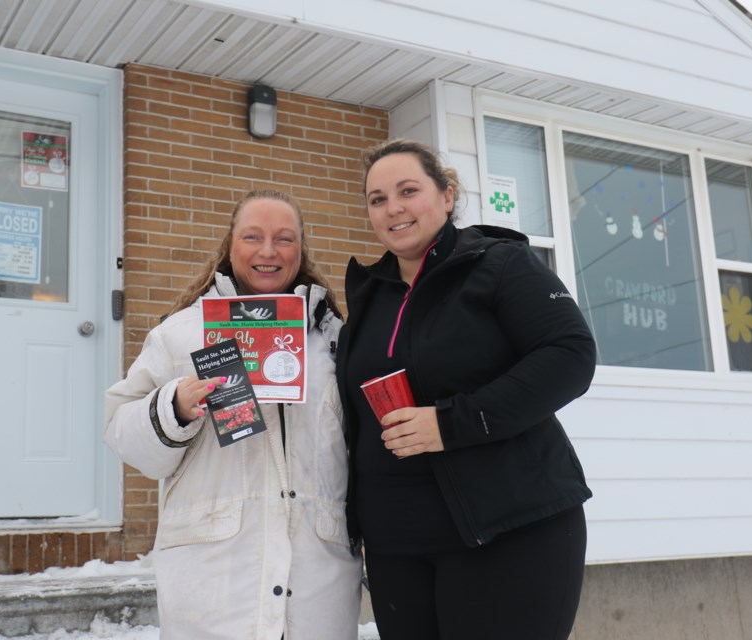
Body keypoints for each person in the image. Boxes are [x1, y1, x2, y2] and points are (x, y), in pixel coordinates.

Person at [336, 139, 597, 639]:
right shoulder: (370, 298)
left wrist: (451, 422)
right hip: (399, 550)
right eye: (377, 199)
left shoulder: (500, 265)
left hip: (508, 529)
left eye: (408, 190)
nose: (393, 208)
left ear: (447, 194)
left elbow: (570, 354)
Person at [104, 189, 362, 640]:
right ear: (229, 245)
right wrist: (174, 409)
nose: (268, 251)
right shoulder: (182, 334)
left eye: (284, 239)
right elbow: (122, 432)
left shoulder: (334, 341)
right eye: (252, 237)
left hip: (316, 586)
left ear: (301, 250)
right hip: (217, 588)